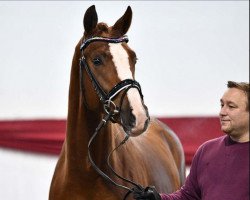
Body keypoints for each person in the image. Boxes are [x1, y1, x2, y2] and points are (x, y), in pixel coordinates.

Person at [133, 81, 249, 200]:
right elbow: (188, 196)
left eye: (231, 106)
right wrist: (159, 198)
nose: (222, 112)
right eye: (222, 105)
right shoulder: (206, 150)